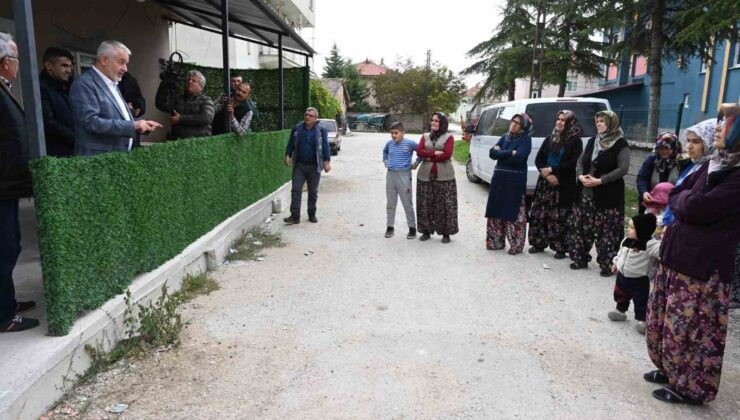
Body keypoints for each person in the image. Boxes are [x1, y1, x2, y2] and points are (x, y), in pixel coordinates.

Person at [644, 103, 740, 405]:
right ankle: (671, 370)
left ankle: (691, 387)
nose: (720, 131)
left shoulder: (735, 176)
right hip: (679, 256)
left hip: (703, 266)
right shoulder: (714, 166)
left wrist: (685, 201)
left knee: (694, 330)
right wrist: (685, 201)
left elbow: (698, 207)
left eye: (727, 127)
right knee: (668, 322)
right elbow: (674, 195)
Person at [0, 32, 39, 332]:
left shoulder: (4, 87)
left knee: (11, 245)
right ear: (4, 62)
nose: (18, 65)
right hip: (2, 186)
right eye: (15, 59)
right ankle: (4, 315)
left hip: (9, 186)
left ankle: (8, 301)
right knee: (5, 248)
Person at [70, 40, 161, 156]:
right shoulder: (84, 83)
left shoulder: (112, 84)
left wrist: (139, 125)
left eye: (126, 64)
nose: (125, 69)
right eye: (121, 62)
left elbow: (117, 119)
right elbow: (91, 122)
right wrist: (133, 125)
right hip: (97, 160)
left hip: (116, 159)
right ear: (104, 60)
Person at [568, 110, 630, 276]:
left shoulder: (620, 144)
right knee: (581, 227)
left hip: (607, 194)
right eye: (597, 121)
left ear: (611, 123)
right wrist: (580, 175)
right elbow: (581, 161)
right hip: (585, 193)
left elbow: (623, 168)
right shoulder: (592, 141)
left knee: (606, 231)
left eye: (603, 121)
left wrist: (601, 181)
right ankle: (580, 258)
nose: (599, 124)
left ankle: (607, 264)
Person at [528, 110, 582, 258]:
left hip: (563, 184)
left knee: (559, 216)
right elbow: (539, 160)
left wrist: (553, 170)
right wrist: (547, 174)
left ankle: (560, 248)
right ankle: (538, 243)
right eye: (558, 119)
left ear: (570, 123)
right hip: (545, 183)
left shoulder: (575, 141)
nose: (559, 122)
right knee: (540, 214)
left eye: (563, 120)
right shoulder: (549, 138)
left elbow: (572, 162)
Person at [485, 113, 533, 254]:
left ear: (523, 126)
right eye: (513, 121)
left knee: (514, 212)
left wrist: (503, 153)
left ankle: (515, 245)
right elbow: (492, 153)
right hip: (499, 179)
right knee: (495, 209)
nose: (514, 124)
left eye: (518, 123)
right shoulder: (504, 137)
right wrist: (510, 152)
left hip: (515, 182)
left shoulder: (526, 140)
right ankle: (495, 242)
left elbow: (519, 158)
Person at [608, 213, 659, 335]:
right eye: (628, 227)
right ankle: (620, 311)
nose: (628, 230)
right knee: (620, 294)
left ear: (642, 230)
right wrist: (615, 263)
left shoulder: (649, 244)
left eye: (632, 228)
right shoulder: (626, 240)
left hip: (639, 279)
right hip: (622, 275)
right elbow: (620, 254)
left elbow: (660, 249)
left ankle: (642, 320)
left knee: (640, 300)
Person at [661, 119, 716, 228]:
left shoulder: (711, 171)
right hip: (672, 226)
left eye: (695, 142)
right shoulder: (692, 164)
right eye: (688, 140)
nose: (689, 146)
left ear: (710, 142)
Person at [283, 107, 331, 224]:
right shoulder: (297, 129)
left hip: (314, 166)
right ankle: (295, 216)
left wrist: (327, 161)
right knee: (296, 190)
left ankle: (311, 214)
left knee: (313, 192)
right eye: (306, 114)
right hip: (299, 165)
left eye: (310, 115)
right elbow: (291, 143)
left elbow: (325, 146)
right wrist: (288, 155)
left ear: (315, 118)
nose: (307, 117)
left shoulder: (321, 131)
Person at [416, 112, 458, 243]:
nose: (433, 122)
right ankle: (426, 231)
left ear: (443, 123)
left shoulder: (449, 137)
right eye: (432, 120)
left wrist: (427, 156)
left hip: (445, 176)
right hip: (424, 176)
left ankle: (446, 233)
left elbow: (447, 154)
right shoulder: (425, 136)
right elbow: (419, 151)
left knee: (445, 205)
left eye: (437, 121)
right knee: (425, 204)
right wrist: (433, 153)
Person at [382, 121, 418, 239]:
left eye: (396, 133)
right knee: (391, 203)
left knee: (407, 203)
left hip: (404, 176)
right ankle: (390, 227)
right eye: (391, 133)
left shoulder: (410, 143)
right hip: (391, 175)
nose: (393, 135)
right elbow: (385, 152)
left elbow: (421, 151)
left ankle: (412, 228)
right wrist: (386, 160)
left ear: (403, 132)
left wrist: (417, 162)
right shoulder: (389, 144)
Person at [155, 69, 214, 140]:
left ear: (201, 86)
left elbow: (206, 118)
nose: (190, 81)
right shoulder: (178, 98)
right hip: (177, 141)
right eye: (188, 80)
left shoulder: (206, 100)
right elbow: (161, 105)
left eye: (193, 80)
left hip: (199, 142)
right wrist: (164, 84)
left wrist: (180, 119)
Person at [39, 47, 75, 157]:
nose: (69, 70)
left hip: (73, 151)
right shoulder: (40, 88)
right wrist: (74, 138)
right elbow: (48, 122)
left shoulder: (69, 87)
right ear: (48, 65)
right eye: (64, 65)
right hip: (56, 154)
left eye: (70, 66)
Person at [636, 132, 681, 213]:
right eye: (661, 148)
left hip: (672, 202)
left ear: (674, 148)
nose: (664, 151)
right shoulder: (652, 159)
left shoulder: (681, 162)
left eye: (667, 148)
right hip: (651, 199)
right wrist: (644, 192)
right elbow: (642, 178)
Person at [118, 72, 146, 148]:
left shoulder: (128, 81)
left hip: (130, 115)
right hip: (129, 115)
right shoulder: (130, 80)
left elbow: (139, 101)